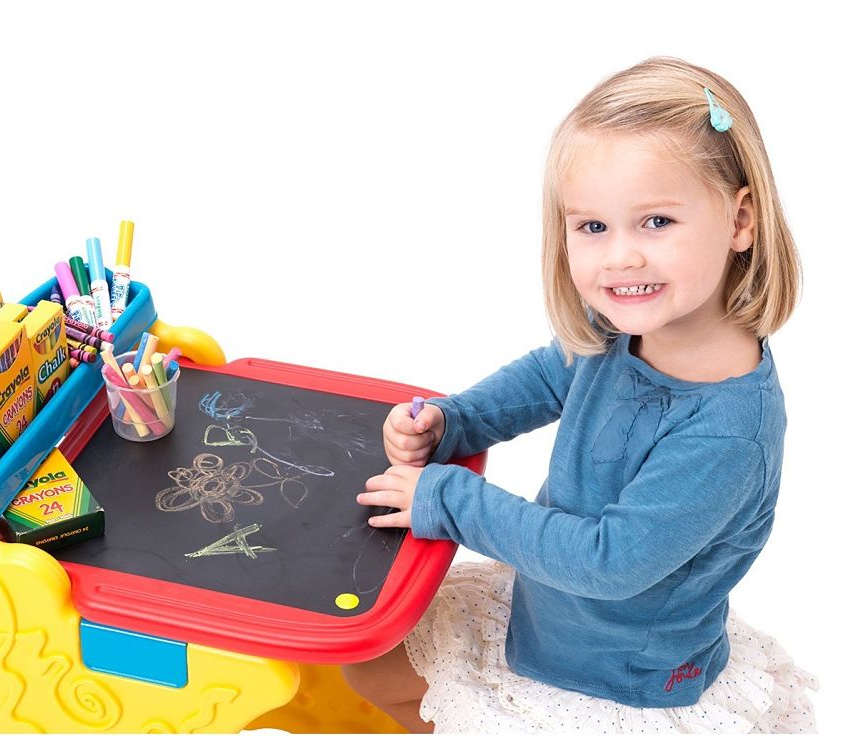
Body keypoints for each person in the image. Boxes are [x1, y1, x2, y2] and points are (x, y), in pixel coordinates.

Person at [342, 56, 819, 734]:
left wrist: (448, 499)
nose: (620, 257)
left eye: (657, 221)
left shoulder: (727, 432)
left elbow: (607, 562)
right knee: (368, 666)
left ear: (741, 220)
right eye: (593, 227)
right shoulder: (621, 332)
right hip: (550, 614)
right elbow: (547, 376)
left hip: (616, 678)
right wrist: (453, 421)